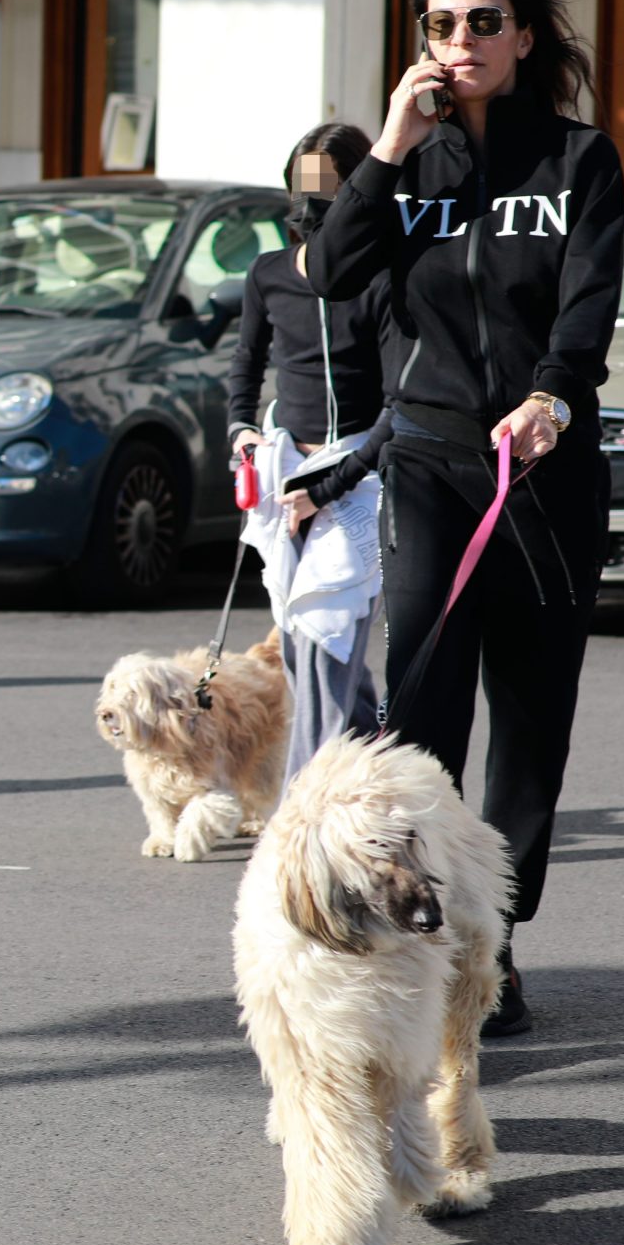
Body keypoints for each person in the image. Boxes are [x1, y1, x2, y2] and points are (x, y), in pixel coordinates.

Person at [305, 0, 624, 1038]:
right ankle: (421, 928)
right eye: (441, 24)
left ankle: (497, 940)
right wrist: (389, 145)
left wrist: (549, 397)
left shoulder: (578, 160)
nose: (463, 41)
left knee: (531, 725)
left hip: (543, 469)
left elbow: (586, 308)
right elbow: (328, 273)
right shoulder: (406, 169)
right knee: (425, 712)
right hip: (433, 465)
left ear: (523, 36)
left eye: (484, 22)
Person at [226, 122, 390, 783]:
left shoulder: (382, 278)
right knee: (299, 646)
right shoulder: (268, 275)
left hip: (358, 470)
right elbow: (245, 364)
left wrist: (332, 485)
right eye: (305, 187)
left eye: (331, 188)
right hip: (284, 467)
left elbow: (399, 404)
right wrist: (242, 430)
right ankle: (373, 761)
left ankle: (308, 798)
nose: (313, 205)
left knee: (331, 638)